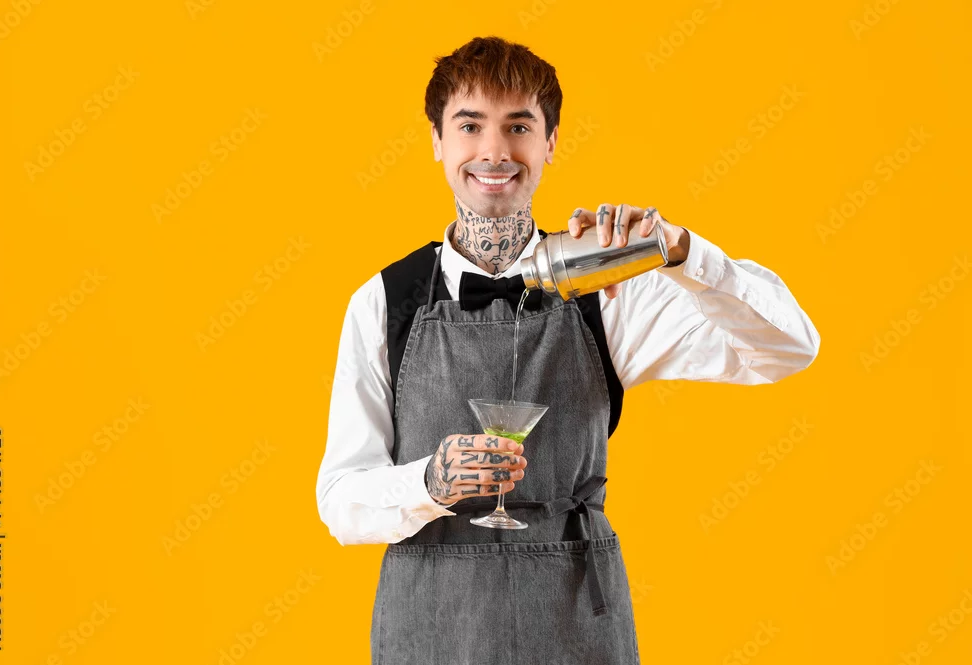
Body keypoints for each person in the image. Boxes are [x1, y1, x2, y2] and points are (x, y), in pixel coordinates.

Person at [316, 35, 820, 664]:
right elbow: (340, 502)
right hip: (431, 626)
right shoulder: (384, 301)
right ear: (438, 142)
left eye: (518, 126)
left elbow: (788, 348)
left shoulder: (608, 291)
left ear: (550, 142)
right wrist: (430, 481)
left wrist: (681, 252)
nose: (494, 151)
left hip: (575, 619)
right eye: (470, 126)